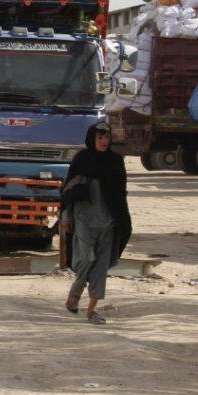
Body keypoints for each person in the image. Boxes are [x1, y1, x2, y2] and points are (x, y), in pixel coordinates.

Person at [60, 121, 132, 325]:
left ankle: (92, 310)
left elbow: (120, 194)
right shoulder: (82, 159)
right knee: (86, 259)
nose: (104, 141)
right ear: (92, 138)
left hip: (108, 222)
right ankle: (76, 291)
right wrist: (66, 216)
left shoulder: (116, 162)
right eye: (100, 138)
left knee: (100, 266)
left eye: (107, 138)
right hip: (84, 219)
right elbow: (68, 191)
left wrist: (121, 220)